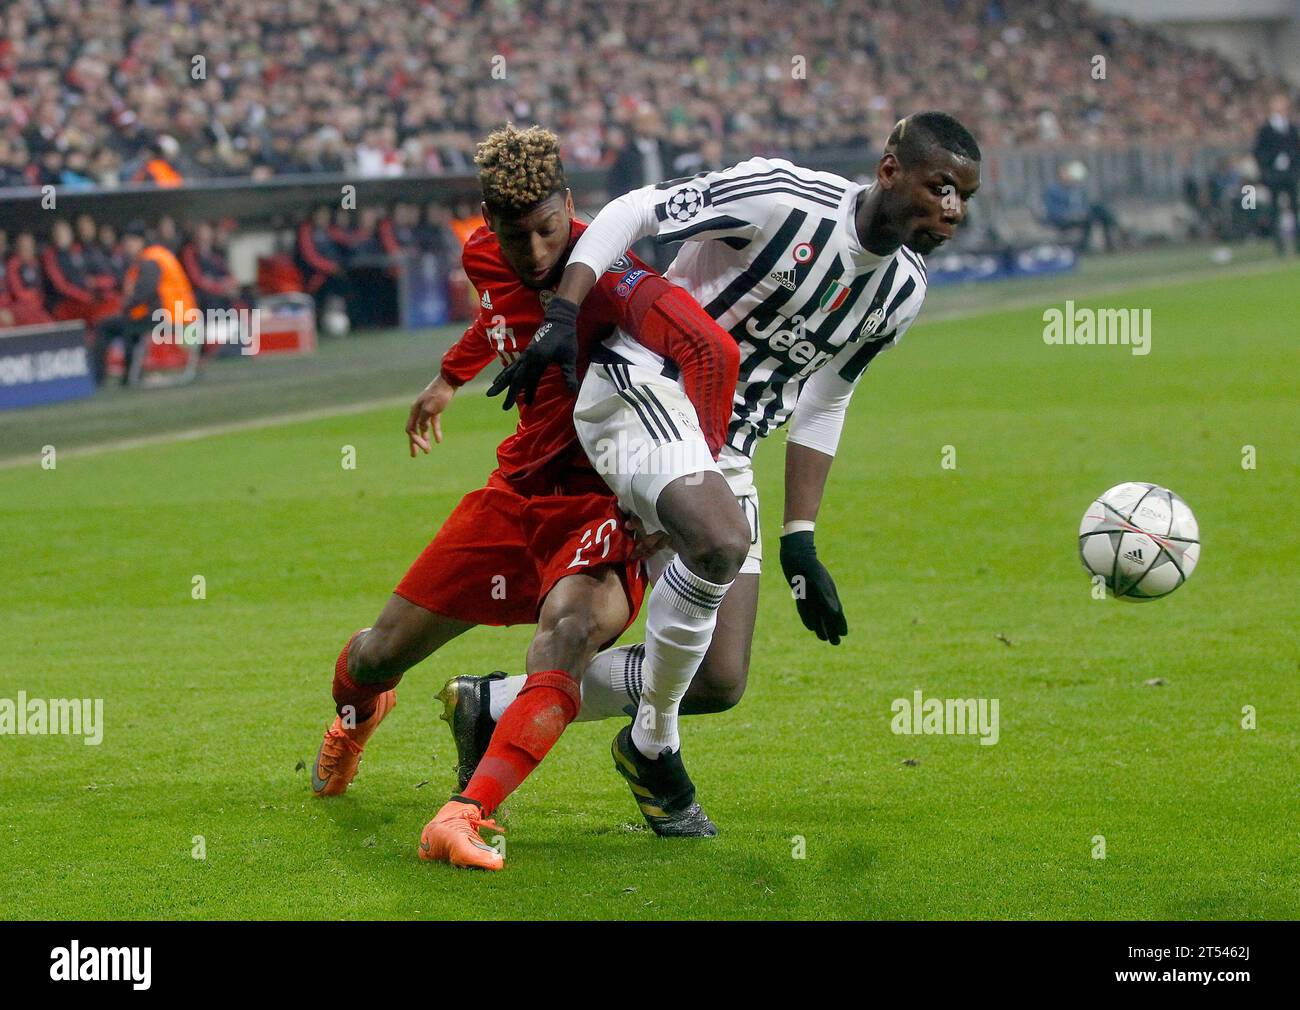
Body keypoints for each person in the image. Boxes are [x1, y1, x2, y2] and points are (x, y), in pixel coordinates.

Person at [450, 112, 981, 829]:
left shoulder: (902, 291)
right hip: (646, 383)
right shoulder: (782, 197)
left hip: (726, 449)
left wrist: (801, 538)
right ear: (890, 171)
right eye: (940, 188)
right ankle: (652, 747)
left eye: (964, 198)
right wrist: (564, 309)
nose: (952, 212)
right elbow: (634, 210)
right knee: (720, 542)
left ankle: (494, 705)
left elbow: (828, 399)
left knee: (720, 678)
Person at [308, 125, 740, 871]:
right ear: (488, 224)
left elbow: (711, 351)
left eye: (547, 232)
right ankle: (359, 717)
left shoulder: (611, 274)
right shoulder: (483, 254)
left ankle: (467, 811)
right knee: (376, 656)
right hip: (513, 497)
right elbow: (495, 315)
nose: (536, 255)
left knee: (571, 637)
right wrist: (449, 377)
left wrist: (684, 487)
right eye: (516, 238)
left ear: (568, 208)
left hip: (601, 508)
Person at [92, 222, 198, 385]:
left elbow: (145, 291)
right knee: (127, 324)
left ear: (140, 241)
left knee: (110, 326)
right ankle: (129, 374)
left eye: (130, 242)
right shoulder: (160, 254)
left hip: (169, 315)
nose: (127, 247)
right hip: (181, 314)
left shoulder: (150, 259)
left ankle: (106, 377)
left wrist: (126, 308)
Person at [1253, 93, 1300, 255]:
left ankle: (1297, 244)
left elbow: (1296, 148)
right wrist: (1267, 169)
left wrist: (1294, 166)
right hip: (1274, 175)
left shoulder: (1291, 127)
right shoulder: (1265, 130)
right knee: (1275, 210)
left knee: (1294, 208)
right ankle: (1279, 246)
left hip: (1290, 174)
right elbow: (1259, 151)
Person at [1043, 161, 1116, 253]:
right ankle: (1084, 248)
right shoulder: (1053, 190)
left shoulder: (1075, 188)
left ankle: (1110, 243)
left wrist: (1081, 212)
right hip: (1062, 219)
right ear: (1059, 175)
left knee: (1099, 209)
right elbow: (1054, 210)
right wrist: (1071, 214)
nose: (1067, 176)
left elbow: (1082, 205)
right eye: (1064, 173)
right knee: (1090, 219)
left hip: (1078, 216)